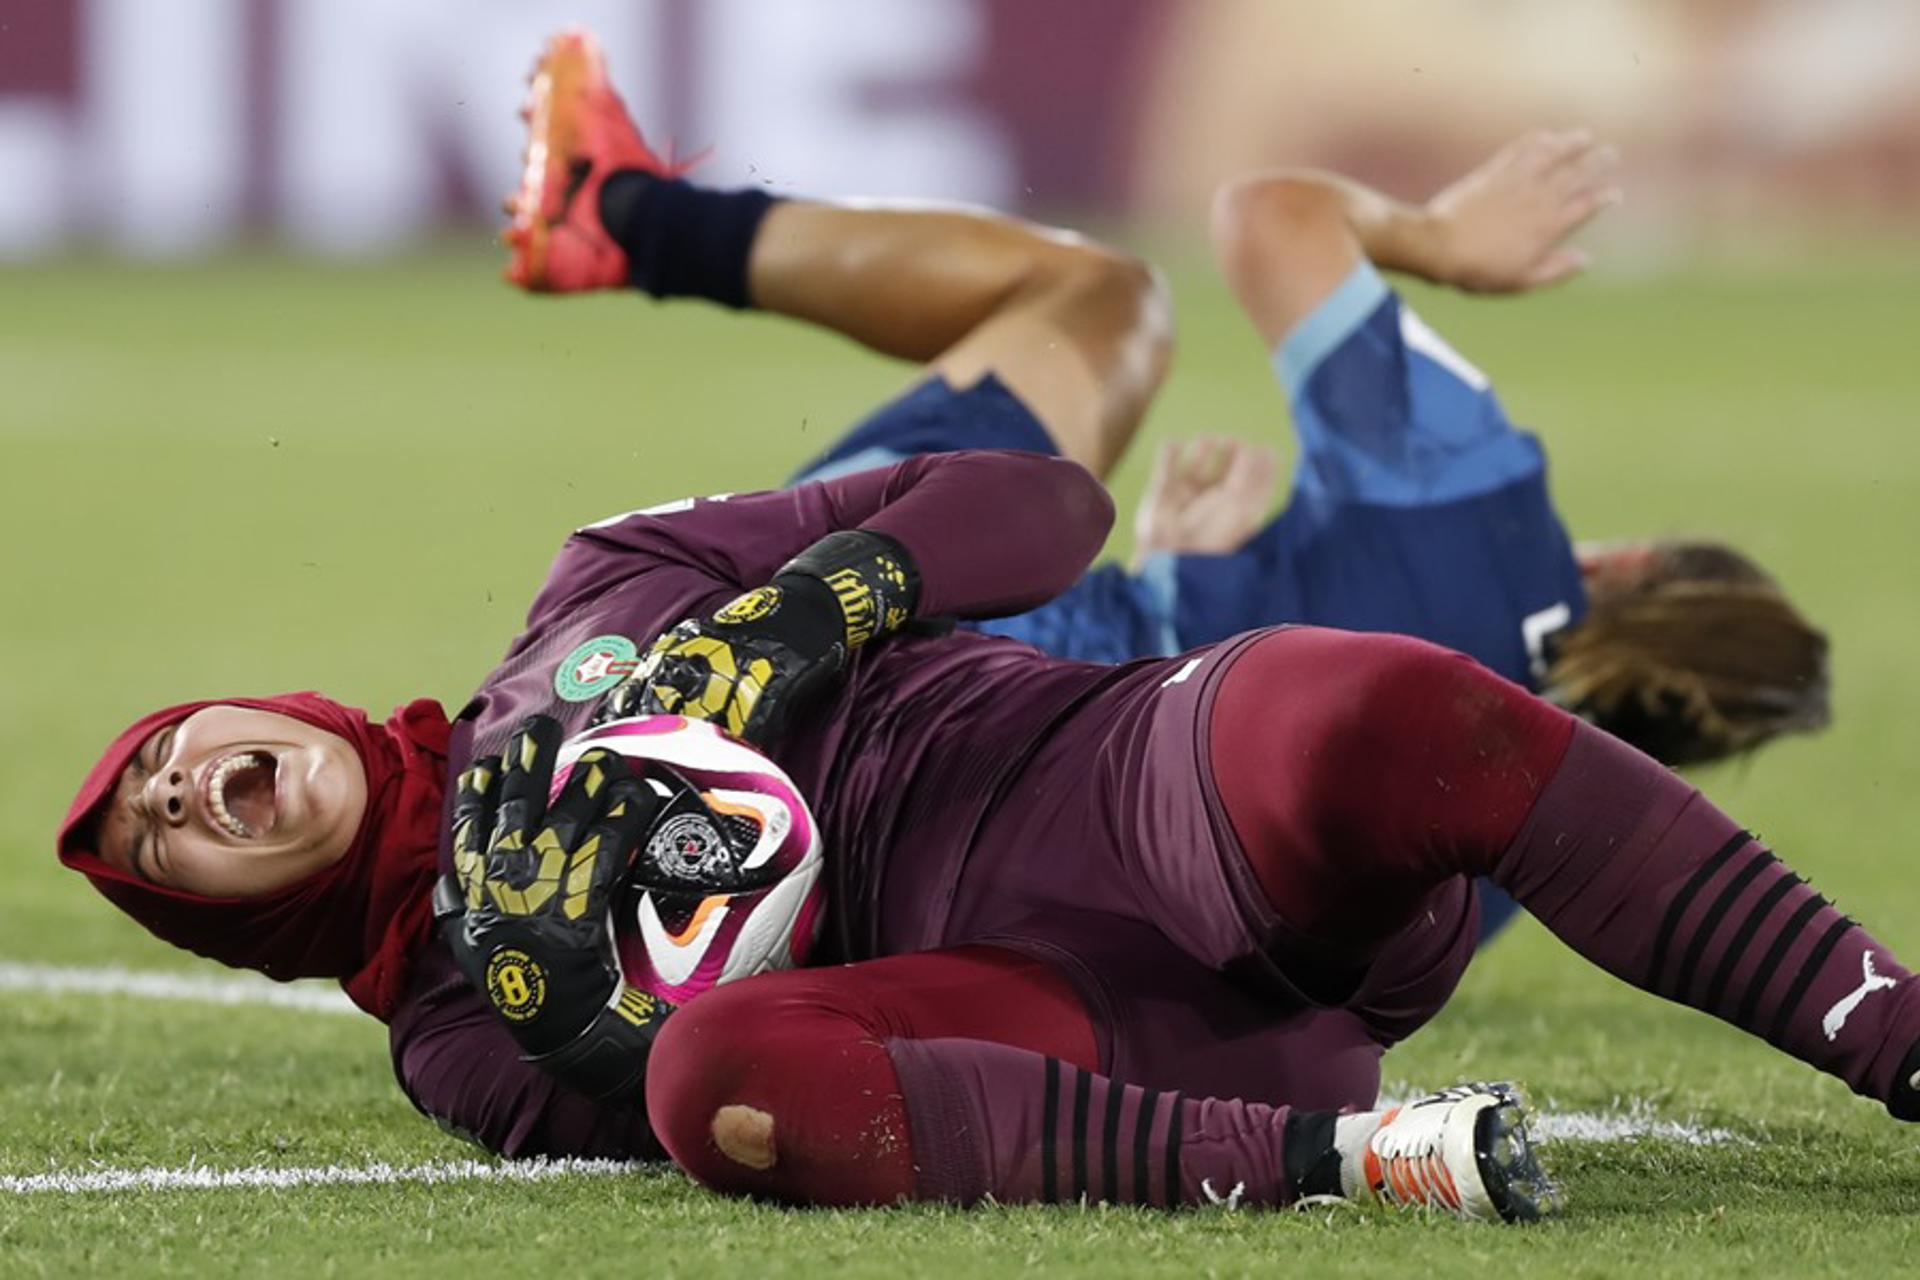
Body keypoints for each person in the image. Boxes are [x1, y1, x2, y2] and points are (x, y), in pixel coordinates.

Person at [57, 31, 1918, 1224]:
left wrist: (809, 609)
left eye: (162, 753)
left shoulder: (602, 593)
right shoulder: (461, 1037)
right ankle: (1339, 1170)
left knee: (1385, 711)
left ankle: (1891, 1030)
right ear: (225, 927)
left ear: (268, 706)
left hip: (1133, 784)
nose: (177, 789)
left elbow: (1045, 509)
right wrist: (611, 981)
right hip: (1061, 1026)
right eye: (158, 841)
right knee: (728, 1096)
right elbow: (721, 1109)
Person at [510, 59, 1829, 938]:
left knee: (1106, 305)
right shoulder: (1486, 879)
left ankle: (619, 212)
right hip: (905, 893)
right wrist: (1191, 608)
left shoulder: (1489, 509)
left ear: (1635, 565)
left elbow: (1271, 216)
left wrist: (1440, 245)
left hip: (870, 667)